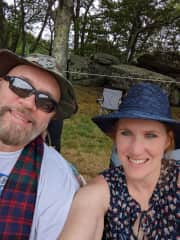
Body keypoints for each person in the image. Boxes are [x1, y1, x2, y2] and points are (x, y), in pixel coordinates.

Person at [59, 82, 180, 239]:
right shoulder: (97, 193)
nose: (136, 149)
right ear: (115, 136)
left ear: (167, 141)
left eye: (150, 135)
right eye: (126, 133)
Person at [0, 49, 80, 239]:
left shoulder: (58, 180)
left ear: (51, 117)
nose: (29, 103)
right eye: (20, 86)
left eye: (45, 102)